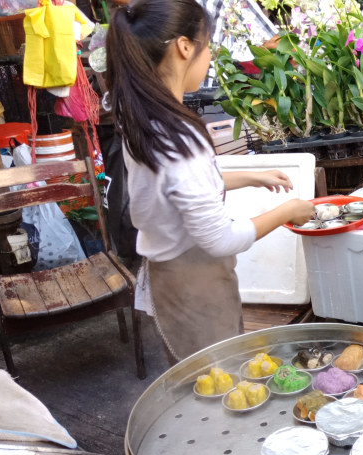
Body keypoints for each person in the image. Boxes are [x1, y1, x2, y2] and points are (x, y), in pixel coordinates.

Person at [106, 0, 315, 363]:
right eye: (208, 47)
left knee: (201, 385)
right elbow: (220, 239)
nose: (209, 59)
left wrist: (250, 176)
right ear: (184, 47)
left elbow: (175, 189)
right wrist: (288, 211)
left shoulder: (141, 114)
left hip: (167, 278)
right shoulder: (180, 136)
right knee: (217, 390)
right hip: (194, 288)